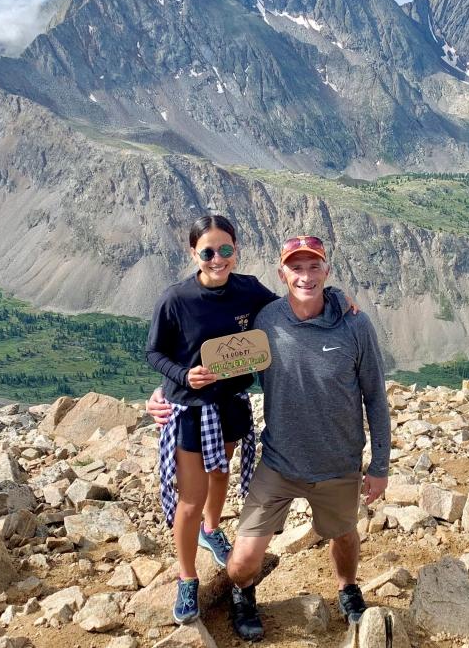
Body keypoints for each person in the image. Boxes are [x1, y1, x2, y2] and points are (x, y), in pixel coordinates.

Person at [148, 235, 390, 641]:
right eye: (296, 268)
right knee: (240, 566)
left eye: (315, 267)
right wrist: (164, 393)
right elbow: (207, 357)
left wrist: (379, 465)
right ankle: (243, 592)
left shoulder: (355, 324)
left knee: (344, 536)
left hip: (338, 463)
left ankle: (347, 587)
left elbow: (375, 398)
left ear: (327, 271)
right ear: (282, 274)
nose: (306, 276)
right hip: (279, 463)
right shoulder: (266, 319)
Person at [147, 215, 277, 625]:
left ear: (236, 249)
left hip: (231, 402)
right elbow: (154, 353)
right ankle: (187, 578)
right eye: (207, 252)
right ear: (193, 254)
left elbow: (284, 311)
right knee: (190, 496)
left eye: (225, 250)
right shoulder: (176, 299)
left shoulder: (249, 290)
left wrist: (338, 298)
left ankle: (211, 529)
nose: (217, 259)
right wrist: (183, 376)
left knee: (220, 473)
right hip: (191, 408)